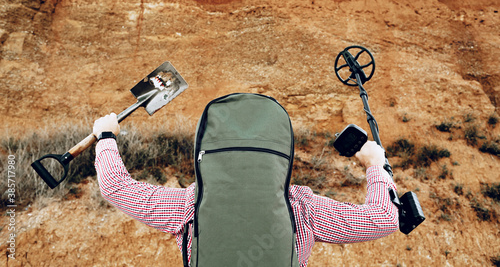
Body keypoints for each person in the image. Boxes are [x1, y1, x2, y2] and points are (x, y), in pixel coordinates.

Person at [93, 112, 398, 266]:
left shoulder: (189, 203)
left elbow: (115, 186)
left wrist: (106, 136)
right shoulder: (301, 206)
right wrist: (375, 164)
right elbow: (385, 218)